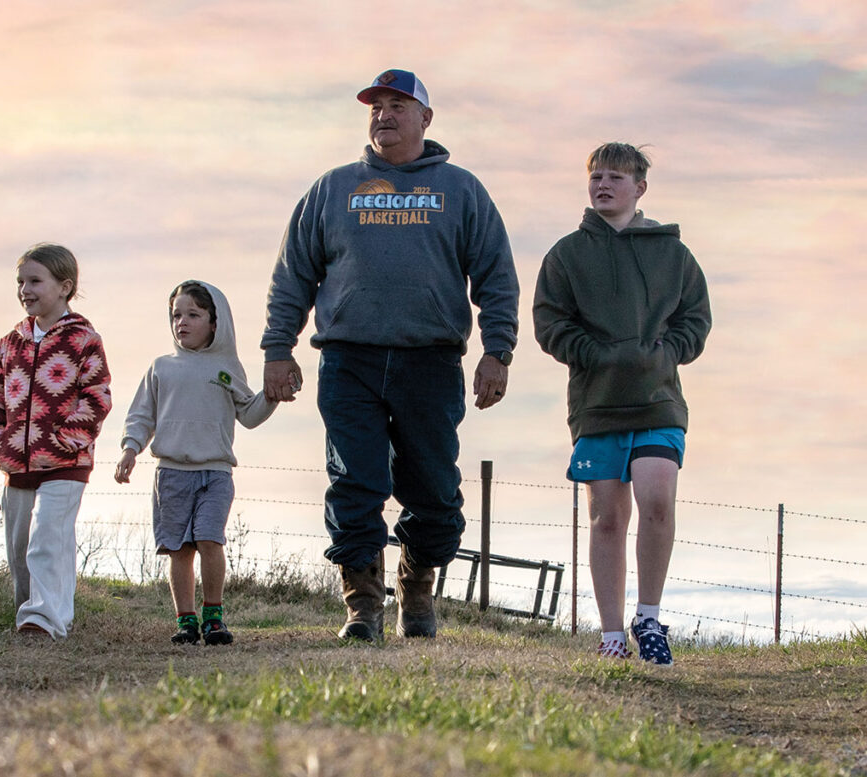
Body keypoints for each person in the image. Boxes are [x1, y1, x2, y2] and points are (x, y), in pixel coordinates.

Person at [261, 69, 519, 642]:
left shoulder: (461, 190)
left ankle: (417, 589)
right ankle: (361, 605)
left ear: (425, 118)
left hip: (430, 360)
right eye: (376, 105)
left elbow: (496, 275)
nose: (384, 114)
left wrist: (497, 350)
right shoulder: (333, 188)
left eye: (398, 104)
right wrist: (278, 347)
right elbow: (292, 276)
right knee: (354, 478)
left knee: (432, 485)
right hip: (348, 359)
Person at [533, 143, 711, 664]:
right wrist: (591, 354)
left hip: (659, 401)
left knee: (658, 500)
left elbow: (695, 318)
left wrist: (666, 353)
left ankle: (649, 619)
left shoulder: (673, 254)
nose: (603, 185)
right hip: (596, 404)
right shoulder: (566, 254)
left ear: (640, 188)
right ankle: (612, 637)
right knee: (607, 517)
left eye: (615, 177)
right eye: (595, 177)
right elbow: (549, 321)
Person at [115, 280, 277, 646]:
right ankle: (186, 621)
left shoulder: (227, 367)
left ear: (215, 322)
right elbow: (141, 415)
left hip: (216, 471)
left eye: (193, 314)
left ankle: (214, 618)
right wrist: (130, 448)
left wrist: (272, 396)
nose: (182, 323)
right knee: (179, 549)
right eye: (176, 315)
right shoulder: (162, 367)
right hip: (171, 472)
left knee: (209, 539)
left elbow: (249, 415)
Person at [0, 243, 112, 640]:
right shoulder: (8, 344)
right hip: (15, 465)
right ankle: (31, 612)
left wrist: (63, 442)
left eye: (35, 281)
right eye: (20, 282)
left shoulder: (84, 340)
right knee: (20, 549)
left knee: (48, 539)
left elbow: (97, 397)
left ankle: (44, 621)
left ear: (64, 286)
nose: (25, 290)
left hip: (65, 464)